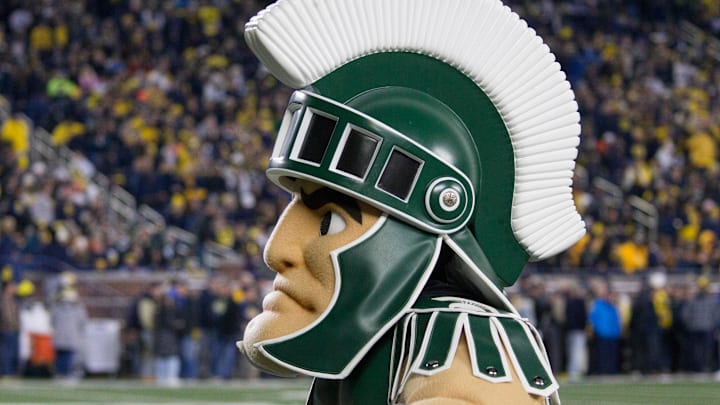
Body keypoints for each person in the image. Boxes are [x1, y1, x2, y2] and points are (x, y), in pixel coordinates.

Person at [238, 0, 585, 403]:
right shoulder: (376, 345)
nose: (276, 251)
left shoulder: (455, 358)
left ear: (442, 208)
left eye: (330, 221)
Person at [49, 281, 88, 379]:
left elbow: (52, 321)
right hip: (71, 336)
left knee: (60, 356)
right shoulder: (77, 309)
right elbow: (83, 322)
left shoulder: (56, 308)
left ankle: (59, 373)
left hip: (59, 336)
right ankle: (67, 374)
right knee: (69, 356)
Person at [0, 280, 20, 377]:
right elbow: (7, 316)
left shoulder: (12, 299)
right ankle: (6, 371)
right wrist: (13, 325)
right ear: (7, 288)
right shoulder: (4, 300)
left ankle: (9, 371)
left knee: (11, 351)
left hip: (12, 329)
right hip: (7, 329)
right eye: (12, 287)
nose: (14, 289)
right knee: (7, 352)